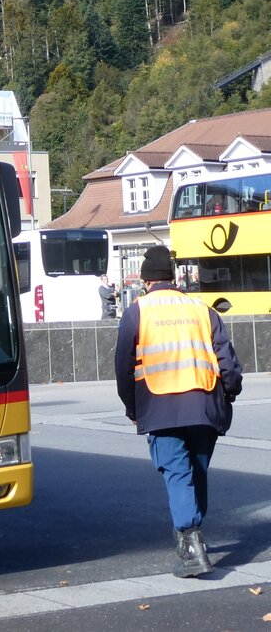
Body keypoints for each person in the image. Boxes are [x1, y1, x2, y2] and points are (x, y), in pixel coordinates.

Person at [115, 245, 243, 578]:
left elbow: (123, 366)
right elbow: (227, 361)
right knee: (195, 471)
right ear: (172, 279)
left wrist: (132, 407)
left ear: (146, 281)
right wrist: (229, 391)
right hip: (204, 403)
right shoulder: (201, 309)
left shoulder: (137, 312)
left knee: (176, 472)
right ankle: (192, 537)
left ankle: (190, 543)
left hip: (159, 405)